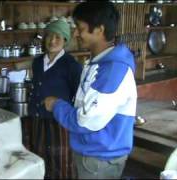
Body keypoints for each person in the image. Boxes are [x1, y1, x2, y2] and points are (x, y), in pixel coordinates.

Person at [44, 1, 137, 179]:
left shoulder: (112, 71)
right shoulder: (99, 62)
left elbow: (85, 121)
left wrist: (56, 105)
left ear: (99, 30)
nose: (76, 34)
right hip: (94, 152)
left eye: (80, 28)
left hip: (100, 159)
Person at [27, 19, 82, 179]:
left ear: (65, 40)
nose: (52, 41)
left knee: (61, 163)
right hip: (38, 120)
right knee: (41, 158)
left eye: (58, 37)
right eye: (49, 36)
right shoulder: (37, 62)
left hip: (60, 123)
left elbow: (78, 96)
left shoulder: (72, 65)